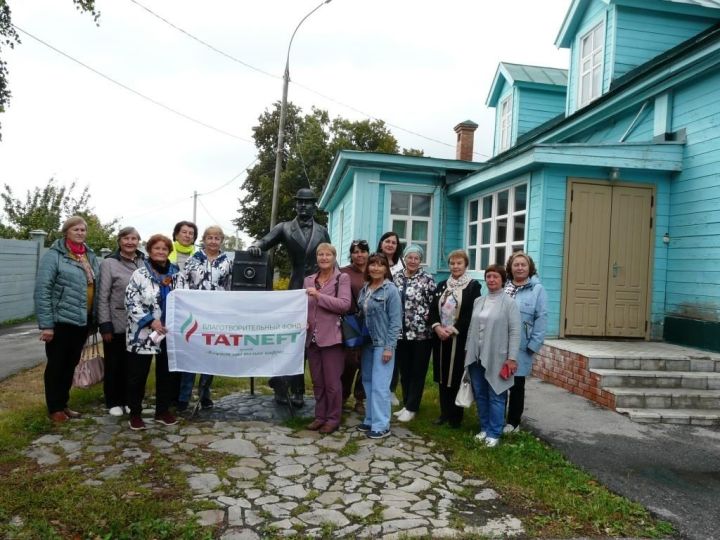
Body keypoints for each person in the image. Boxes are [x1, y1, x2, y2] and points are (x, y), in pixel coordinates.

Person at [248, 188, 330, 407]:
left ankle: (296, 390)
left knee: (306, 342)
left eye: (308, 203)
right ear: (296, 205)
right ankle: (282, 384)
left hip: (317, 289)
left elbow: (330, 259)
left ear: (314, 206)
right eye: (300, 203)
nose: (303, 206)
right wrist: (255, 246)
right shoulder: (284, 228)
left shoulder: (322, 231)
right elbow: (263, 241)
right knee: (291, 340)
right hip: (295, 289)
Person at [34, 216, 101, 423]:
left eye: (83, 230)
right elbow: (42, 290)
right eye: (76, 230)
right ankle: (54, 408)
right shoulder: (54, 256)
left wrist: (94, 320)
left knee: (70, 364)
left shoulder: (89, 255)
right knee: (56, 365)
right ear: (66, 232)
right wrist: (46, 325)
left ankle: (63, 404)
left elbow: (95, 287)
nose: (80, 233)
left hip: (82, 321)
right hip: (60, 321)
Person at [125, 234, 180, 431]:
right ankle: (135, 413)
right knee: (137, 375)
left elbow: (182, 299)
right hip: (142, 333)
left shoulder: (176, 274)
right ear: (149, 251)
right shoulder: (139, 274)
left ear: (169, 252)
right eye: (156, 248)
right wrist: (151, 321)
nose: (160, 252)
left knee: (167, 374)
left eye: (164, 249)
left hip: (169, 331)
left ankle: (162, 411)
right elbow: (131, 302)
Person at [176, 225, 233, 412]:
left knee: (210, 354)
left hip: (216, 314)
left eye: (217, 238)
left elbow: (230, 286)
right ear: (204, 239)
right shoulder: (193, 260)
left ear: (221, 241)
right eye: (210, 237)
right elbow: (183, 283)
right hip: (195, 313)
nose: (213, 241)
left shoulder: (227, 262)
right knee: (191, 354)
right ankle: (184, 396)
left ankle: (204, 393)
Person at [465, 264, 520, 448]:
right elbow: (472, 328)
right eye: (488, 276)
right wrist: (467, 350)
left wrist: (512, 358)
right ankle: (485, 428)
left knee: (496, 394)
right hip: (476, 356)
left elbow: (515, 332)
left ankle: (495, 433)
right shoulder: (479, 301)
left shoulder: (509, 303)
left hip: (497, 356)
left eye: (495, 276)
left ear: (502, 280)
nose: (491, 280)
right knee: (480, 394)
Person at [429, 250, 482, 428]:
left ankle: (455, 417)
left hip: (459, 339)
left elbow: (471, 313)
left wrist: (453, 329)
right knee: (443, 376)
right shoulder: (442, 285)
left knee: (457, 376)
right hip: (441, 338)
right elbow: (433, 310)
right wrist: (437, 327)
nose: (455, 266)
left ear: (466, 265)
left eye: (459, 263)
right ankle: (444, 413)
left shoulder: (473, 286)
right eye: (452, 263)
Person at [303, 243, 351, 434]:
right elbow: (302, 306)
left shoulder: (342, 278)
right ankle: (320, 416)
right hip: (311, 339)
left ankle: (333, 418)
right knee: (317, 382)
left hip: (332, 337)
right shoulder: (308, 280)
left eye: (327, 255)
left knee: (332, 382)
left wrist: (319, 296)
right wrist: (302, 321)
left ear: (334, 257)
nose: (324, 258)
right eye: (320, 254)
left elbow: (344, 305)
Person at [97, 226, 144, 417]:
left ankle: (129, 400)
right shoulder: (109, 263)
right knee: (114, 364)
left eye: (134, 238)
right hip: (116, 321)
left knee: (133, 366)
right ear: (119, 241)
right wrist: (104, 324)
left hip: (140, 323)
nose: (130, 242)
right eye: (126, 238)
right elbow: (103, 296)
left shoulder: (143, 261)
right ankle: (113, 400)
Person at [356, 253, 402, 439]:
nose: (375, 268)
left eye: (380, 265)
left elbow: (395, 321)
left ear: (386, 269)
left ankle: (382, 425)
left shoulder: (390, 290)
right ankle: (370, 419)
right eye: (372, 265)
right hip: (367, 342)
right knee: (367, 381)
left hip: (382, 343)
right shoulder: (365, 288)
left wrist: (389, 347)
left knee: (381, 385)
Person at [503, 251, 547, 433]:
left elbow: (542, 318)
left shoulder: (537, 290)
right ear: (510, 268)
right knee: (499, 382)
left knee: (516, 384)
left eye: (523, 265)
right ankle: (498, 417)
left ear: (530, 268)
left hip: (522, 345)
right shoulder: (504, 287)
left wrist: (533, 345)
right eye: (516, 265)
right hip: (500, 343)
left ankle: (513, 422)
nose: (520, 268)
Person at [392, 244, 436, 423]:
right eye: (409, 257)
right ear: (404, 258)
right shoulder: (396, 277)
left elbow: (434, 306)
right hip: (401, 333)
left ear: (421, 260)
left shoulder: (427, 279)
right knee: (405, 370)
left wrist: (425, 318)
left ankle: (412, 407)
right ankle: (406, 403)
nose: (412, 261)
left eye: (416, 258)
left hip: (421, 335)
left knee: (418, 371)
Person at [339, 239, 370, 415]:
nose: (359, 255)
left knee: (366, 362)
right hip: (350, 320)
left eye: (363, 251)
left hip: (370, 321)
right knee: (350, 360)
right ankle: (343, 396)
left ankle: (360, 398)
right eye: (356, 251)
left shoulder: (375, 269)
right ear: (351, 254)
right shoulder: (343, 272)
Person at [377, 231, 403, 405]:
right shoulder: (374, 262)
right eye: (387, 241)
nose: (390, 245)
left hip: (396, 315)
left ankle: (391, 390)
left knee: (395, 353)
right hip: (378, 315)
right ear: (381, 243)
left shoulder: (402, 265)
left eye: (394, 242)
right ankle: (367, 391)